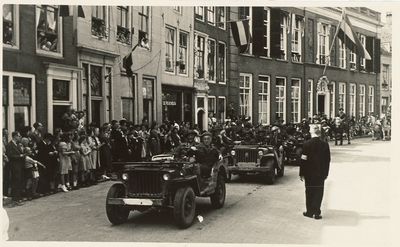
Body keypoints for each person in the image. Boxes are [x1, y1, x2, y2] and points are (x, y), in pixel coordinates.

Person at [300, 125, 331, 220]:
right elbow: (327, 160)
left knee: (309, 191)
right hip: (320, 173)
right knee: (318, 191)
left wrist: (301, 173)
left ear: (312, 132)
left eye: (310, 129)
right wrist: (326, 173)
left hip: (309, 173)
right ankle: (317, 212)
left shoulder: (306, 144)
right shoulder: (325, 144)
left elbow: (303, 160)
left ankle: (309, 211)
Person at [6, 131, 26, 205]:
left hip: (19, 165)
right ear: (14, 136)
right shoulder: (9, 145)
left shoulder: (17, 145)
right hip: (14, 166)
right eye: (18, 136)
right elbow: (10, 155)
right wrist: (20, 156)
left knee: (19, 181)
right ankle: (15, 198)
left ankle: (18, 197)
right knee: (15, 181)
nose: (19, 137)